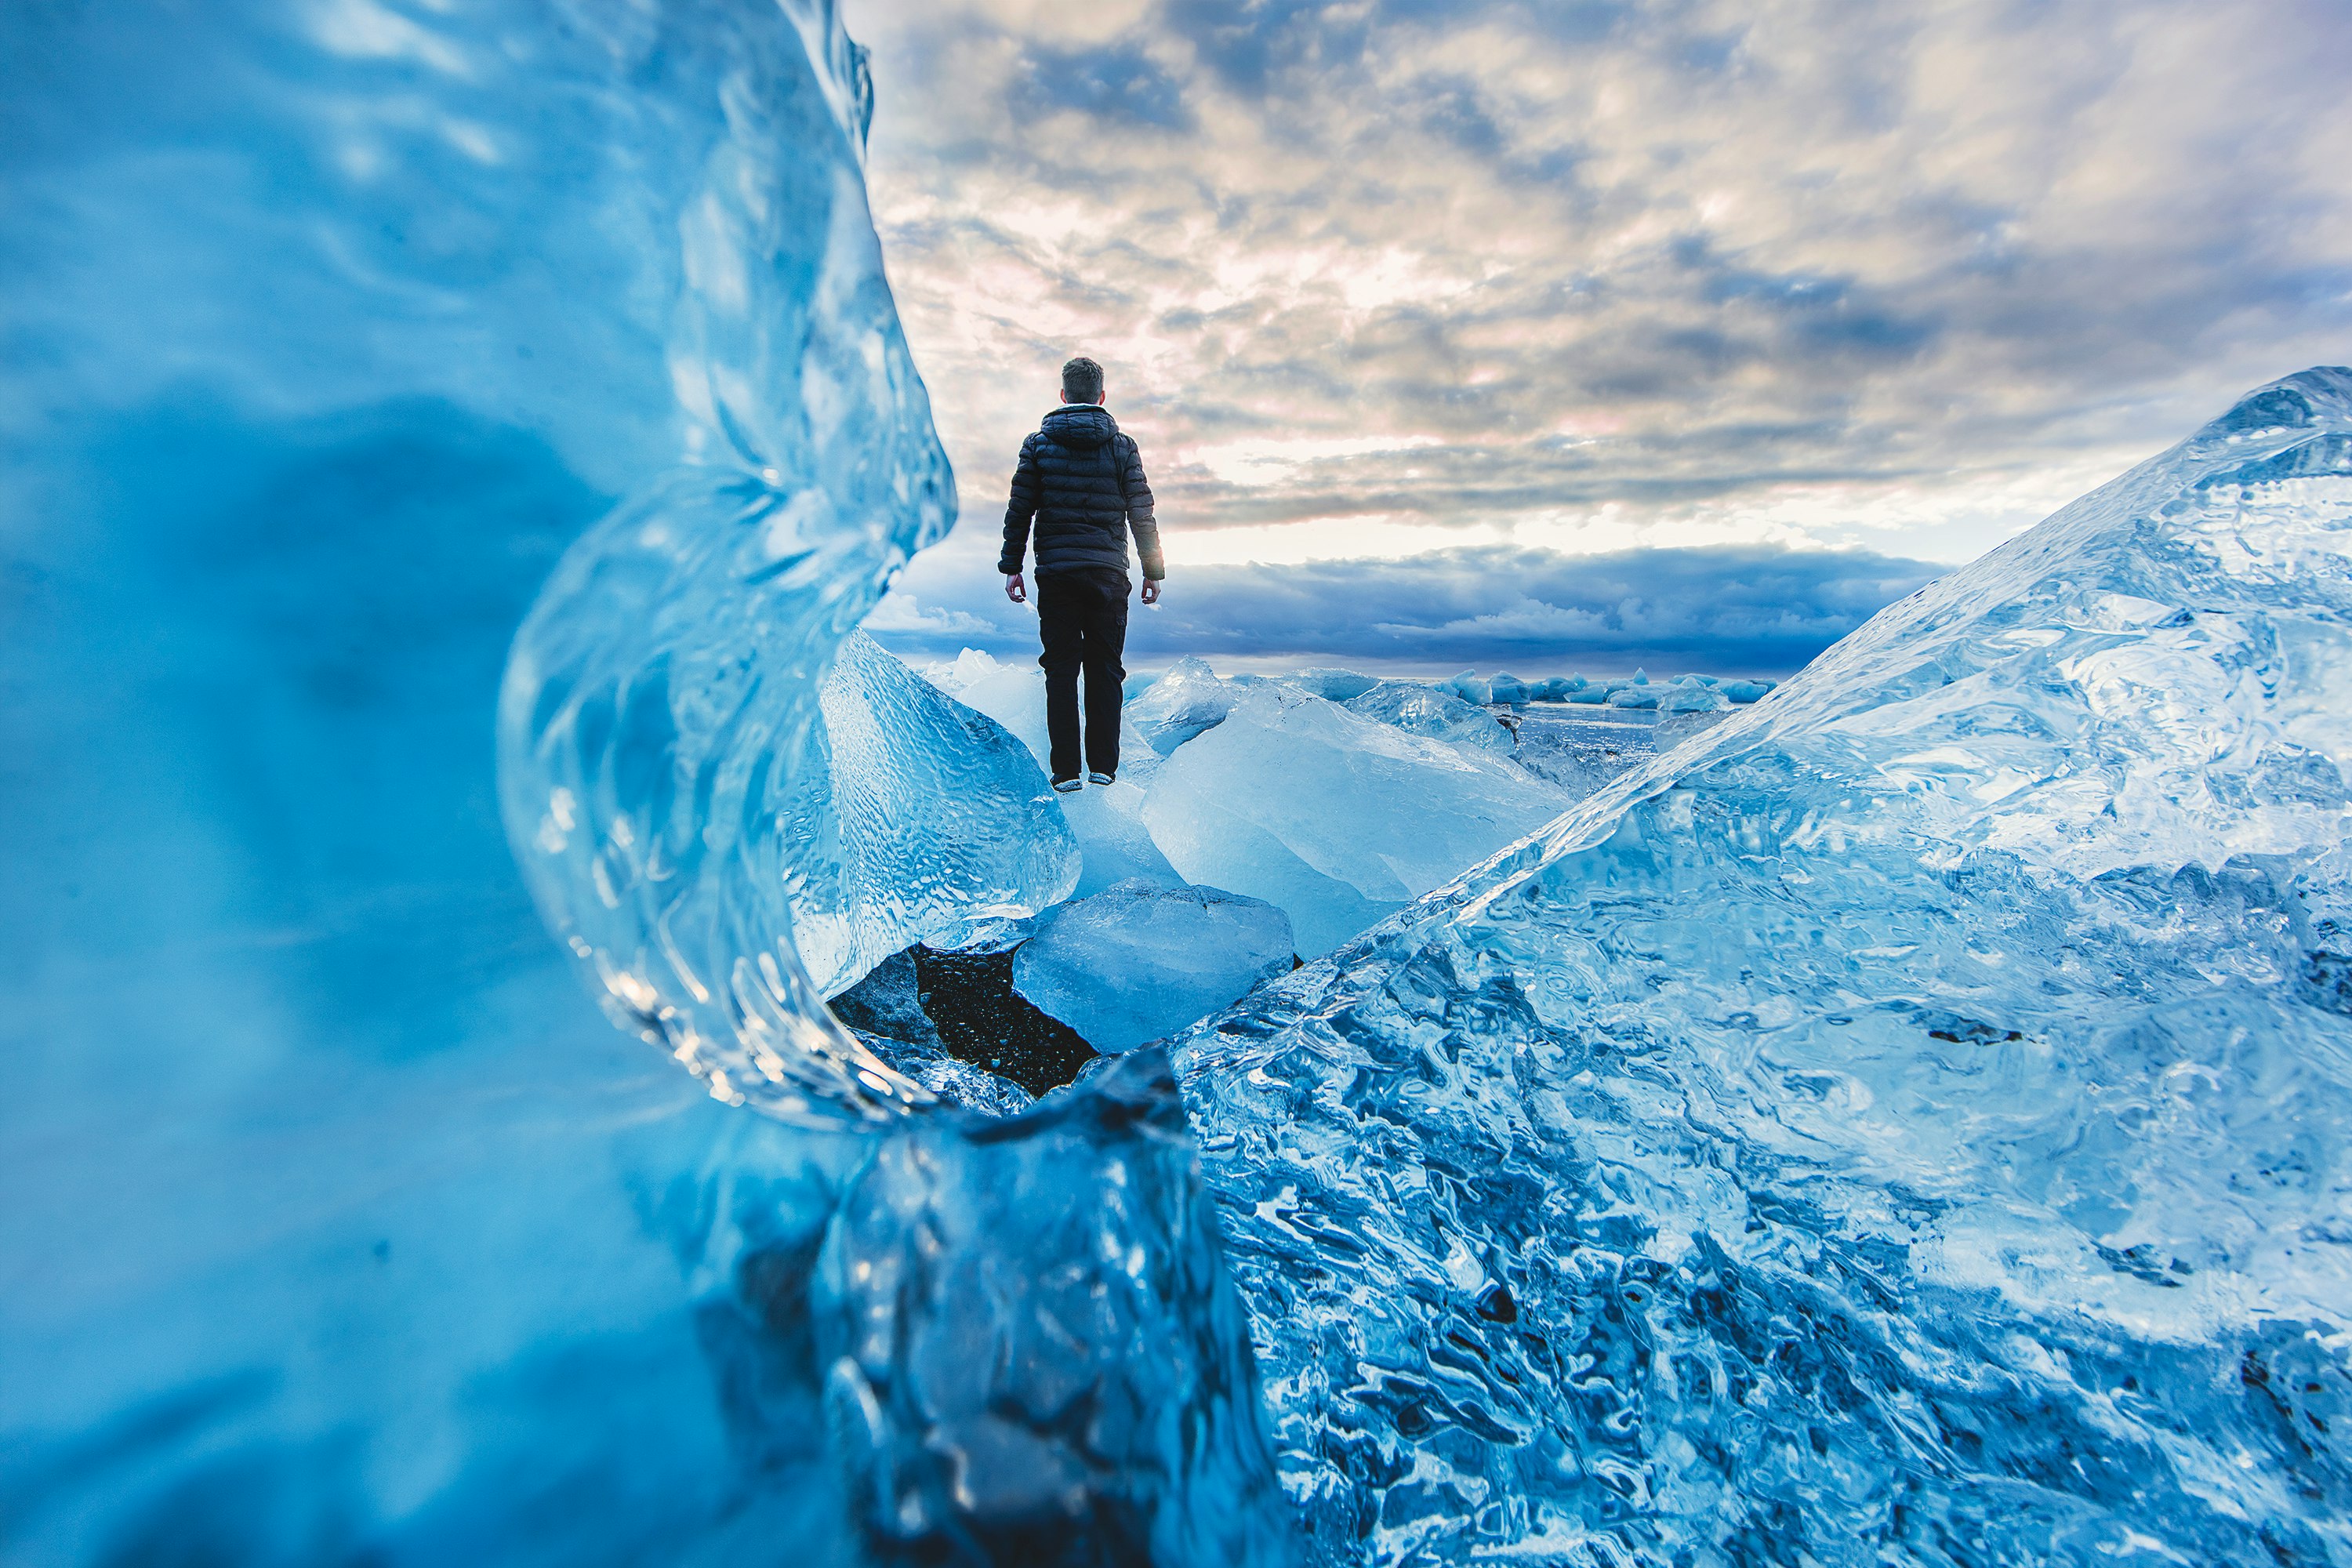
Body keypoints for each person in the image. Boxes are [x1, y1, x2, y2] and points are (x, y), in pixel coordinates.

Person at [999, 355, 1164, 791]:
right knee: (1106, 668)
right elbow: (1141, 512)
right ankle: (1103, 768)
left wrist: (1012, 566)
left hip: (1056, 574)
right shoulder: (1123, 447)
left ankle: (1066, 772)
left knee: (1061, 670)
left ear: (1063, 395)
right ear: (1102, 397)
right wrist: (1153, 570)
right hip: (1109, 575)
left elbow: (1021, 511)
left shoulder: (1037, 445)